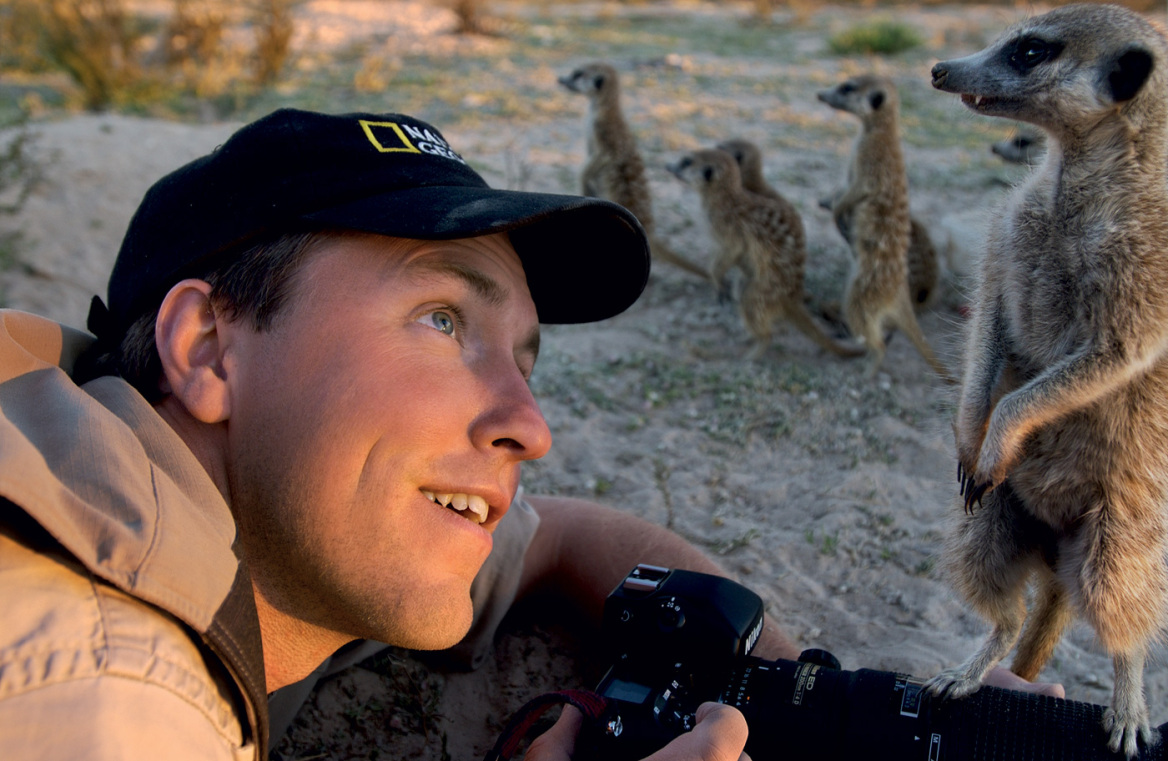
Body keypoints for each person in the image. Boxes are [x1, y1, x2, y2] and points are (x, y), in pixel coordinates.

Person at [0, 107, 1056, 760]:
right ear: (208, 348)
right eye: (441, 321)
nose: (529, 426)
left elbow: (563, 537)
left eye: (526, 357)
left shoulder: (146, 456)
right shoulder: (96, 690)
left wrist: (800, 695)